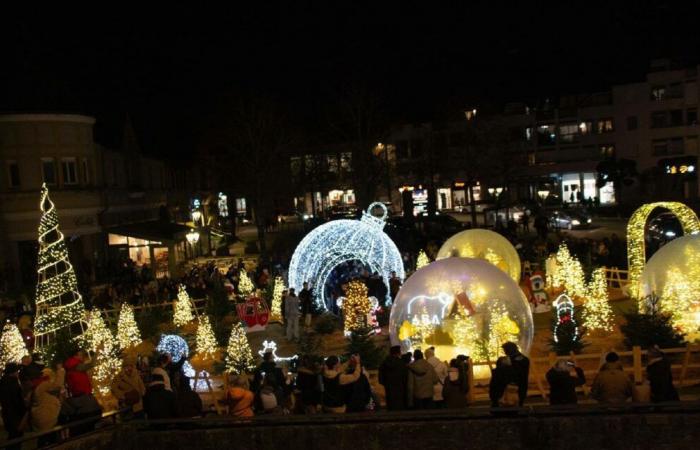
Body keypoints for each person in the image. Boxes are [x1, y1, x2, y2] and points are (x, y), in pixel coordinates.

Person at [30, 366, 65, 447]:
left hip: (43, 415)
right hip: (46, 415)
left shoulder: (39, 385)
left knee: (45, 437)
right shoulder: (44, 384)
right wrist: (61, 371)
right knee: (47, 438)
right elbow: (57, 385)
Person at [0, 363, 27, 446]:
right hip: (16, 416)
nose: (18, 373)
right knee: (16, 438)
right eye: (16, 371)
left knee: (12, 437)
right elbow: (17, 401)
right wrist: (24, 411)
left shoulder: (2, 382)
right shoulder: (13, 384)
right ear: (13, 372)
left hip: (7, 415)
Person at [378, 346, 409, 411]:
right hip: (400, 387)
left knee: (391, 404)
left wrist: (385, 383)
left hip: (389, 386)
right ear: (398, 353)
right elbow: (405, 375)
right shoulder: (401, 363)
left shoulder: (385, 363)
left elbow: (380, 375)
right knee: (399, 404)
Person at [502, 342, 529, 406]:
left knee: (514, 405)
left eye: (506, 350)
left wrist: (508, 365)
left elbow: (517, 372)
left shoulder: (519, 359)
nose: (505, 352)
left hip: (516, 385)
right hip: (519, 385)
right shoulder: (523, 358)